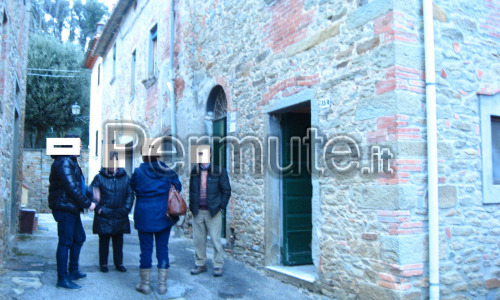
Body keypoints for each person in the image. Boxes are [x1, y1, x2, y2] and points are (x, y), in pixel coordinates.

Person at [48, 135, 97, 289]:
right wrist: (88, 204)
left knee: (79, 238)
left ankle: (73, 271)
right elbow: (71, 188)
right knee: (65, 242)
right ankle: (62, 278)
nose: (81, 147)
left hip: (72, 207)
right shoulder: (63, 162)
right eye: (79, 144)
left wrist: (91, 192)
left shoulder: (72, 162)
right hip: (64, 208)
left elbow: (80, 185)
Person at [131, 149, 181, 295]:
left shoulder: (138, 172)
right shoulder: (167, 171)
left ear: (143, 155)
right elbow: (178, 187)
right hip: (163, 215)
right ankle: (162, 285)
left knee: (145, 250)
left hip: (144, 214)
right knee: (163, 249)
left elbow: (132, 186)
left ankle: (145, 284)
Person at [189, 147, 231, 277]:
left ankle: (218, 264)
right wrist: (192, 206)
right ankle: (200, 263)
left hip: (213, 211)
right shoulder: (195, 171)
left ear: (210, 155)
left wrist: (221, 207)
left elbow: (226, 191)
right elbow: (191, 190)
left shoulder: (219, 171)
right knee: (198, 240)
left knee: (215, 240)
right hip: (197, 211)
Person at [90, 155, 134, 273]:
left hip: (120, 214)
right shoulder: (99, 178)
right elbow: (92, 193)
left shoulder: (125, 178)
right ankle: (103, 264)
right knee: (104, 241)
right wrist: (98, 208)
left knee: (118, 241)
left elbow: (130, 194)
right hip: (104, 215)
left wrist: (126, 209)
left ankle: (119, 263)